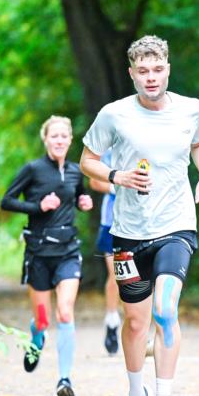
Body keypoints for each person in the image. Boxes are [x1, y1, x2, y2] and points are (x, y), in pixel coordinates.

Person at [80, 35, 199, 396]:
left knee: (164, 310)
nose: (151, 77)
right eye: (143, 71)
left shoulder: (191, 109)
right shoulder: (114, 115)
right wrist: (117, 176)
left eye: (157, 70)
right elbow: (87, 161)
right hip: (128, 232)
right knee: (136, 322)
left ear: (168, 69)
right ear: (132, 74)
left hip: (176, 225)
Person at [1, 115, 94, 396]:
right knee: (43, 320)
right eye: (54, 136)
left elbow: (79, 196)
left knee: (65, 312)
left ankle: (65, 379)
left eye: (64, 136)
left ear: (70, 140)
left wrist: (84, 201)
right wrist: (38, 206)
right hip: (39, 253)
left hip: (68, 250)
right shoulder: (33, 169)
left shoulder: (77, 171)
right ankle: (37, 337)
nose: (59, 141)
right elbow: (7, 201)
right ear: (46, 139)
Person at [87, 148, 123, 354]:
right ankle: (112, 320)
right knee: (117, 273)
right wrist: (117, 188)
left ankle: (138, 327)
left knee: (140, 276)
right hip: (111, 221)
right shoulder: (110, 149)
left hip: (141, 222)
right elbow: (94, 181)